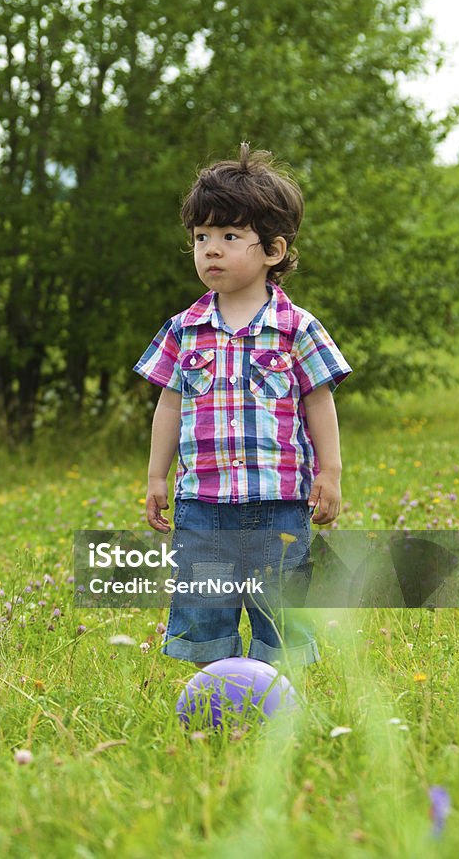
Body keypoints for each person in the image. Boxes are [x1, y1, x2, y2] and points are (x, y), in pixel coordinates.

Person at [134, 144, 351, 668]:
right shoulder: (183, 329)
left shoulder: (297, 328)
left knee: (280, 615)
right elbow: (168, 404)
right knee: (203, 610)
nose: (210, 249)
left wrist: (332, 471)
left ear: (273, 250)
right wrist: (157, 478)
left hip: (278, 503)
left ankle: (280, 707)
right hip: (201, 506)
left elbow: (318, 400)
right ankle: (215, 700)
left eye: (229, 237)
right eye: (201, 237)